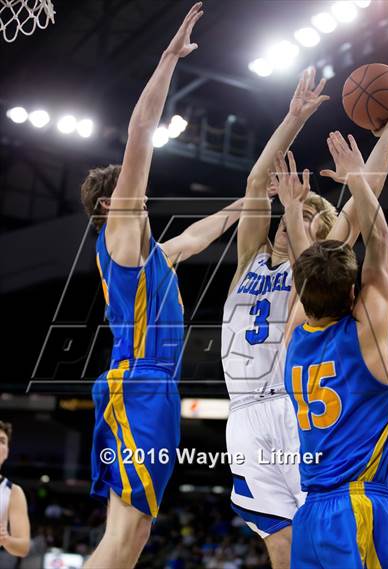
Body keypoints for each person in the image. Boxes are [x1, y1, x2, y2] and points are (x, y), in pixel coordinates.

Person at [221, 65, 388, 569]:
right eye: (295, 211)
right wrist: (293, 118)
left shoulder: (311, 277)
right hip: (244, 411)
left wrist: (376, 152)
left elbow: (364, 205)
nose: (297, 220)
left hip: (293, 405)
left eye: (308, 216)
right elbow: (258, 181)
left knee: (308, 533)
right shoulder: (251, 260)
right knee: (284, 544)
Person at [80, 4, 244, 568]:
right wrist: (168, 60)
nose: (142, 197)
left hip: (151, 388)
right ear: (112, 204)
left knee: (134, 537)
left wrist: (250, 201)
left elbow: (196, 237)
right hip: (139, 383)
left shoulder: (152, 257)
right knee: (124, 538)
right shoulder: (121, 231)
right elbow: (141, 132)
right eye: (131, 192)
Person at [282, 127, 388, 568]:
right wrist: (359, 172)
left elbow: (345, 241)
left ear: (300, 291)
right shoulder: (366, 336)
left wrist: (294, 209)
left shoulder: (293, 336)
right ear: (354, 288)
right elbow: (379, 239)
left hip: (310, 517)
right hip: (359, 509)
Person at [0, 421, 30, 560]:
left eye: (2, 441)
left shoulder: (13, 492)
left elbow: (23, 547)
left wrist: (5, 539)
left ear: (7, 451)